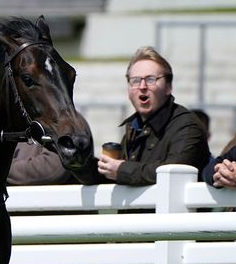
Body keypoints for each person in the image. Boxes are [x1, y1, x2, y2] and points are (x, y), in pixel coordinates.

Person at [71, 46, 210, 186]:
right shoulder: (134, 126)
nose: (142, 86)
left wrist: (121, 169)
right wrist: (80, 163)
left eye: (151, 79)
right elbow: (114, 177)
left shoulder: (187, 127)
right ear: (128, 89)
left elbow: (173, 174)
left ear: (169, 87)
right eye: (136, 80)